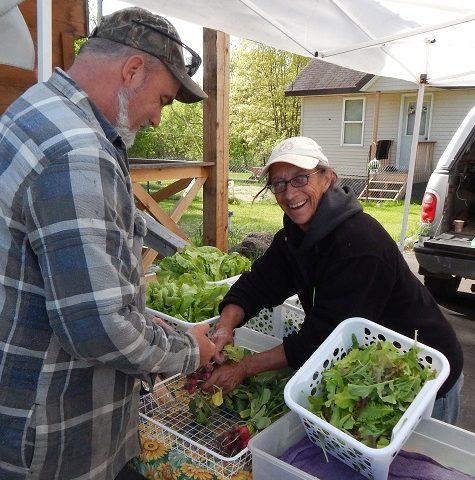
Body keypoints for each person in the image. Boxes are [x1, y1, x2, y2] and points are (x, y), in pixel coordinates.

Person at [0, 7, 215, 480]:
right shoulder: (77, 152)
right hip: (56, 431)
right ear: (132, 69)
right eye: (162, 98)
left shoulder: (36, 106)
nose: (159, 118)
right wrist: (189, 349)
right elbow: (96, 327)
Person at [203, 136, 464, 425]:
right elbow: (257, 284)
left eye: (301, 179)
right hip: (370, 368)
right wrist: (224, 328)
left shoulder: (358, 244)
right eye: (279, 184)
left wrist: (243, 368)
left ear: (326, 178)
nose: (289, 194)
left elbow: (324, 337)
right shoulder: (294, 236)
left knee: (418, 466)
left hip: (424, 370)